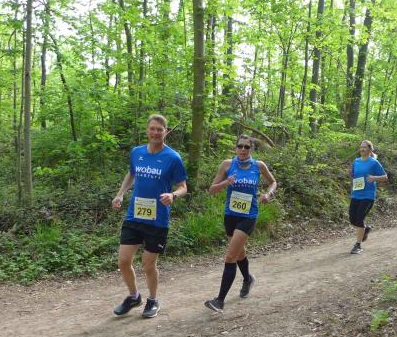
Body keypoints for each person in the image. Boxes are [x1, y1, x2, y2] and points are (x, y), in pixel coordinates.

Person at [111, 114, 188, 318]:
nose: (155, 132)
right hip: (134, 215)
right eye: (152, 129)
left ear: (166, 132)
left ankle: (153, 300)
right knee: (123, 261)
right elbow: (132, 174)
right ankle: (134, 296)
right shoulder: (137, 152)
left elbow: (183, 187)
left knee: (147, 264)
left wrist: (173, 195)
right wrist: (120, 194)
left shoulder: (173, 157)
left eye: (159, 130)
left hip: (157, 219)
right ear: (147, 130)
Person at [203, 135, 277, 313]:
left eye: (247, 147)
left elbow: (273, 182)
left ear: (252, 149)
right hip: (230, 215)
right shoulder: (227, 164)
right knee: (239, 253)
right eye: (240, 146)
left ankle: (219, 301)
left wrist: (268, 194)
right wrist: (225, 182)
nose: (243, 149)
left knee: (230, 256)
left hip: (248, 216)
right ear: (235, 148)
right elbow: (211, 190)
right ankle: (248, 279)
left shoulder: (259, 166)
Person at [349, 139, 387, 254]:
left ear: (370, 149)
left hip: (368, 195)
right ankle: (365, 229)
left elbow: (385, 177)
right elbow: (353, 176)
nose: (362, 149)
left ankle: (358, 245)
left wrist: (374, 178)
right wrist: (350, 174)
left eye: (365, 147)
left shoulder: (374, 162)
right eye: (361, 147)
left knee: (359, 218)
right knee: (352, 219)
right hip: (356, 194)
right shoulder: (356, 161)